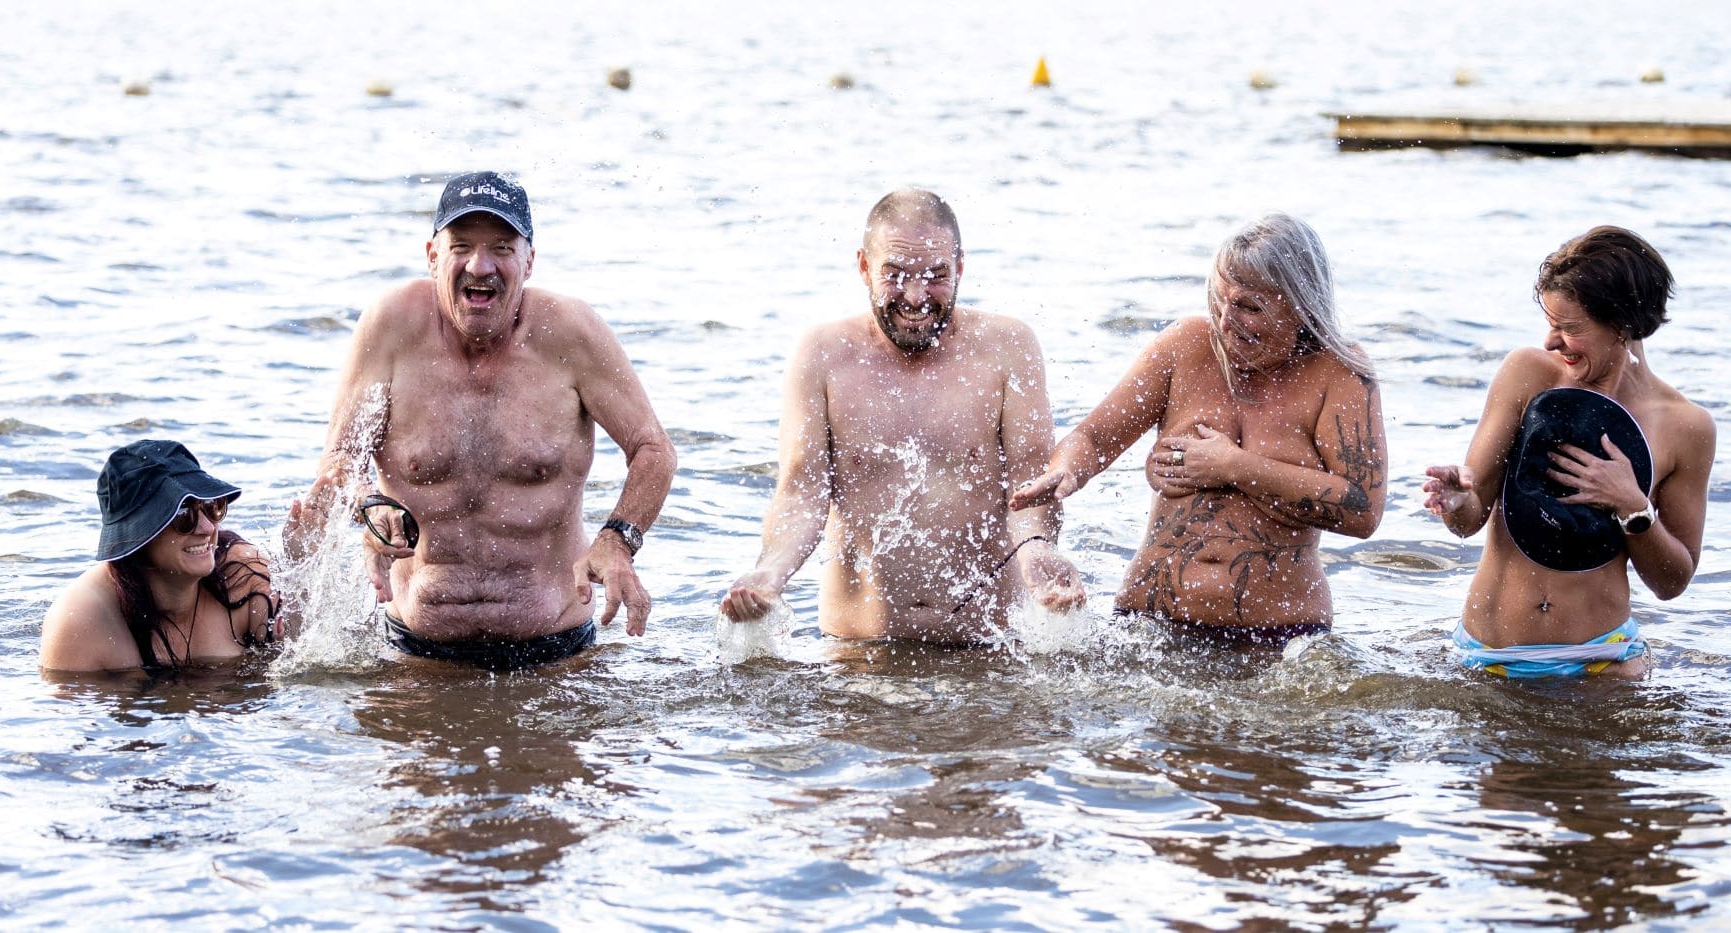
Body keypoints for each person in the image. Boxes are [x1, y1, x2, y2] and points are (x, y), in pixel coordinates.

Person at [285, 172, 676, 669]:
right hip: (416, 654)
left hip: (556, 653)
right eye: (461, 245)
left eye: (502, 248)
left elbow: (654, 450)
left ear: (529, 260)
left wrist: (618, 540)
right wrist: (370, 507)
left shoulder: (571, 334)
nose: (480, 265)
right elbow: (342, 457)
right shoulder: (390, 328)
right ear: (432, 256)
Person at [719, 188, 1085, 644]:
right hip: (858, 651)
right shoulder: (823, 354)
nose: (915, 297)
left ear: (961, 268)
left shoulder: (1008, 347)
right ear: (864, 267)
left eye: (936, 275)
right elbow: (802, 490)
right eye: (895, 274)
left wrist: (1036, 552)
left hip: (988, 648)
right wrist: (770, 573)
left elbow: (1030, 484)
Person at [1011, 213, 1386, 644]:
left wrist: (1232, 466)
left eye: (1250, 307)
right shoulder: (1186, 345)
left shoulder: (1338, 371)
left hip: (1283, 637)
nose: (1227, 322)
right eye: (1220, 301)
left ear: (1300, 305)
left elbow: (1363, 510)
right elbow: (1093, 438)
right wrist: (1069, 470)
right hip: (1149, 625)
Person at [1423, 226, 1714, 679]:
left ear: (1623, 324)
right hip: (1486, 655)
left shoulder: (1686, 426)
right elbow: (1468, 519)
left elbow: (1672, 582)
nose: (1550, 341)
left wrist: (1631, 504)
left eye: (1569, 328)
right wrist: (1457, 500)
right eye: (1550, 323)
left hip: (1603, 662)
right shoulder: (1528, 373)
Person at [40, 439, 278, 673]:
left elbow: (300, 663)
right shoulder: (81, 623)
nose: (207, 528)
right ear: (139, 534)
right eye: (183, 514)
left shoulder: (243, 575)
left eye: (211, 506)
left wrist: (302, 566)